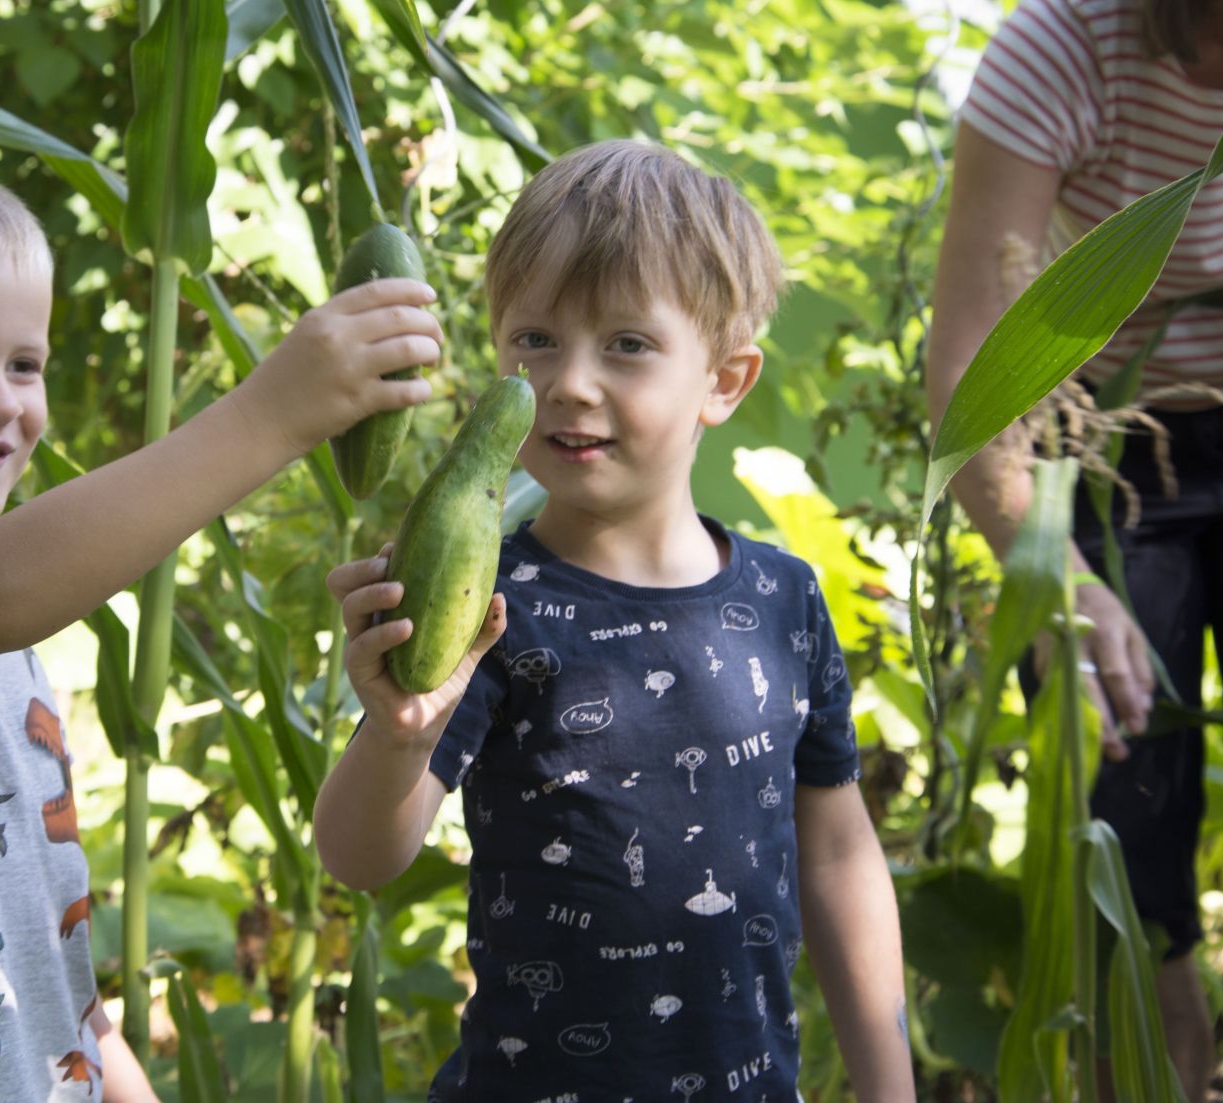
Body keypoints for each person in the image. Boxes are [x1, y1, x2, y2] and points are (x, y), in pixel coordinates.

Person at [0, 148, 444, 1102]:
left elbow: (40, 938)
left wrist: (112, 1073)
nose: (2, 399)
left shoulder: (0, 635)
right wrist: (277, 411)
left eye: (25, 364)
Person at [313, 139, 916, 1102]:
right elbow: (356, 853)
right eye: (535, 339)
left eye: (626, 344)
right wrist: (395, 732)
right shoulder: (490, 602)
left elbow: (839, 849)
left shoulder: (785, 600)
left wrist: (890, 1086)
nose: (570, 382)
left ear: (724, 379)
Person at [926, 0, 1223, 1097]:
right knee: (1122, 850)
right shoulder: (1069, 44)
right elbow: (971, 362)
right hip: (1101, 448)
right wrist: (1055, 579)